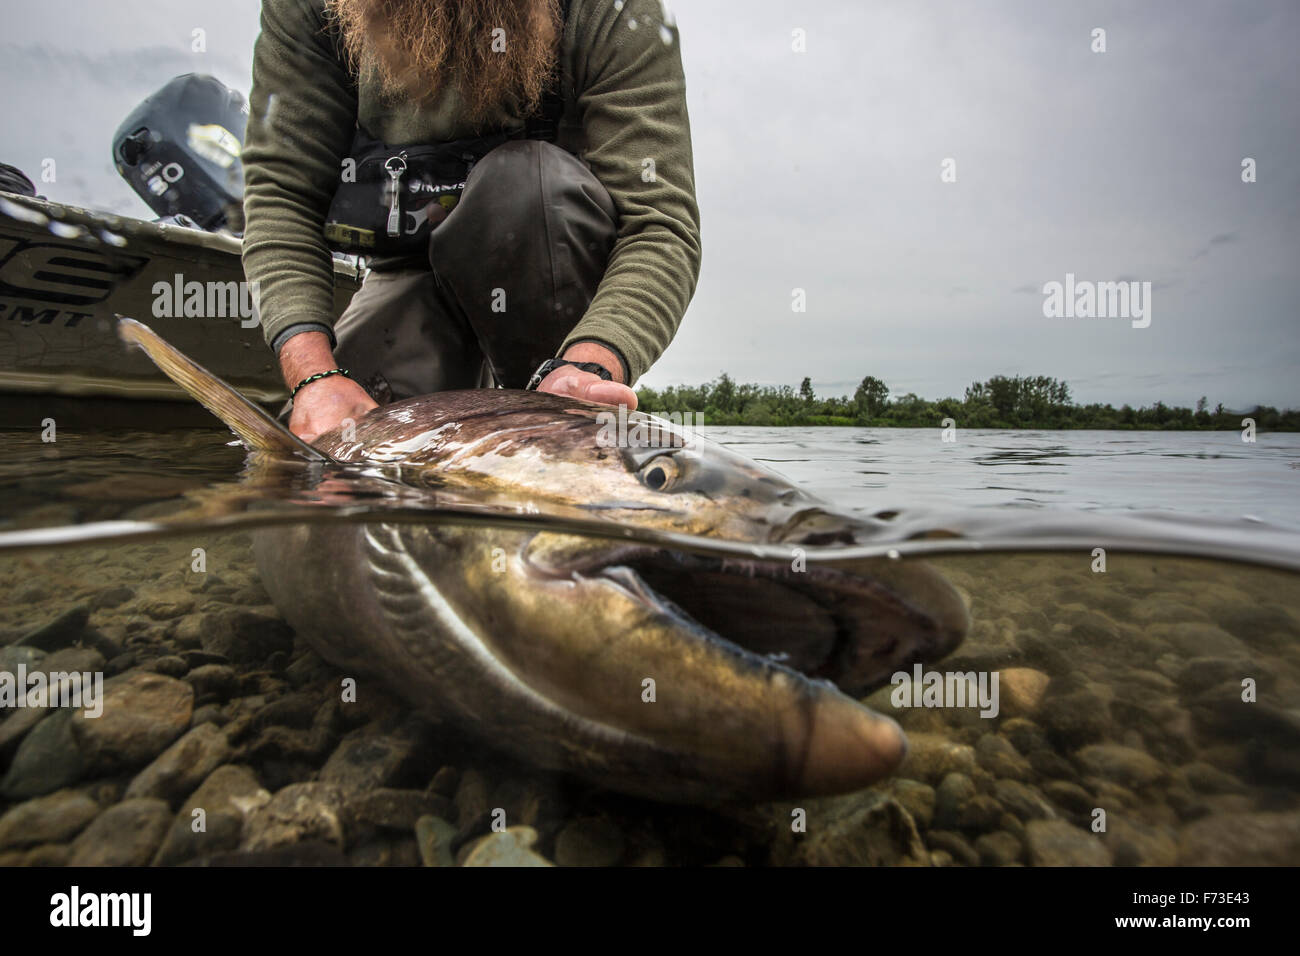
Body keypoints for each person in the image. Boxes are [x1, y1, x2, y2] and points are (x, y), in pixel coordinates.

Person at [241, 0, 702, 442]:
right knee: (333, 459)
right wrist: (315, 376)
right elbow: (284, 194)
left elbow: (657, 224)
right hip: (408, 267)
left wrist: (590, 366)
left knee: (524, 185)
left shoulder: (613, 8)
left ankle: (544, 397)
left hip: (546, 259)